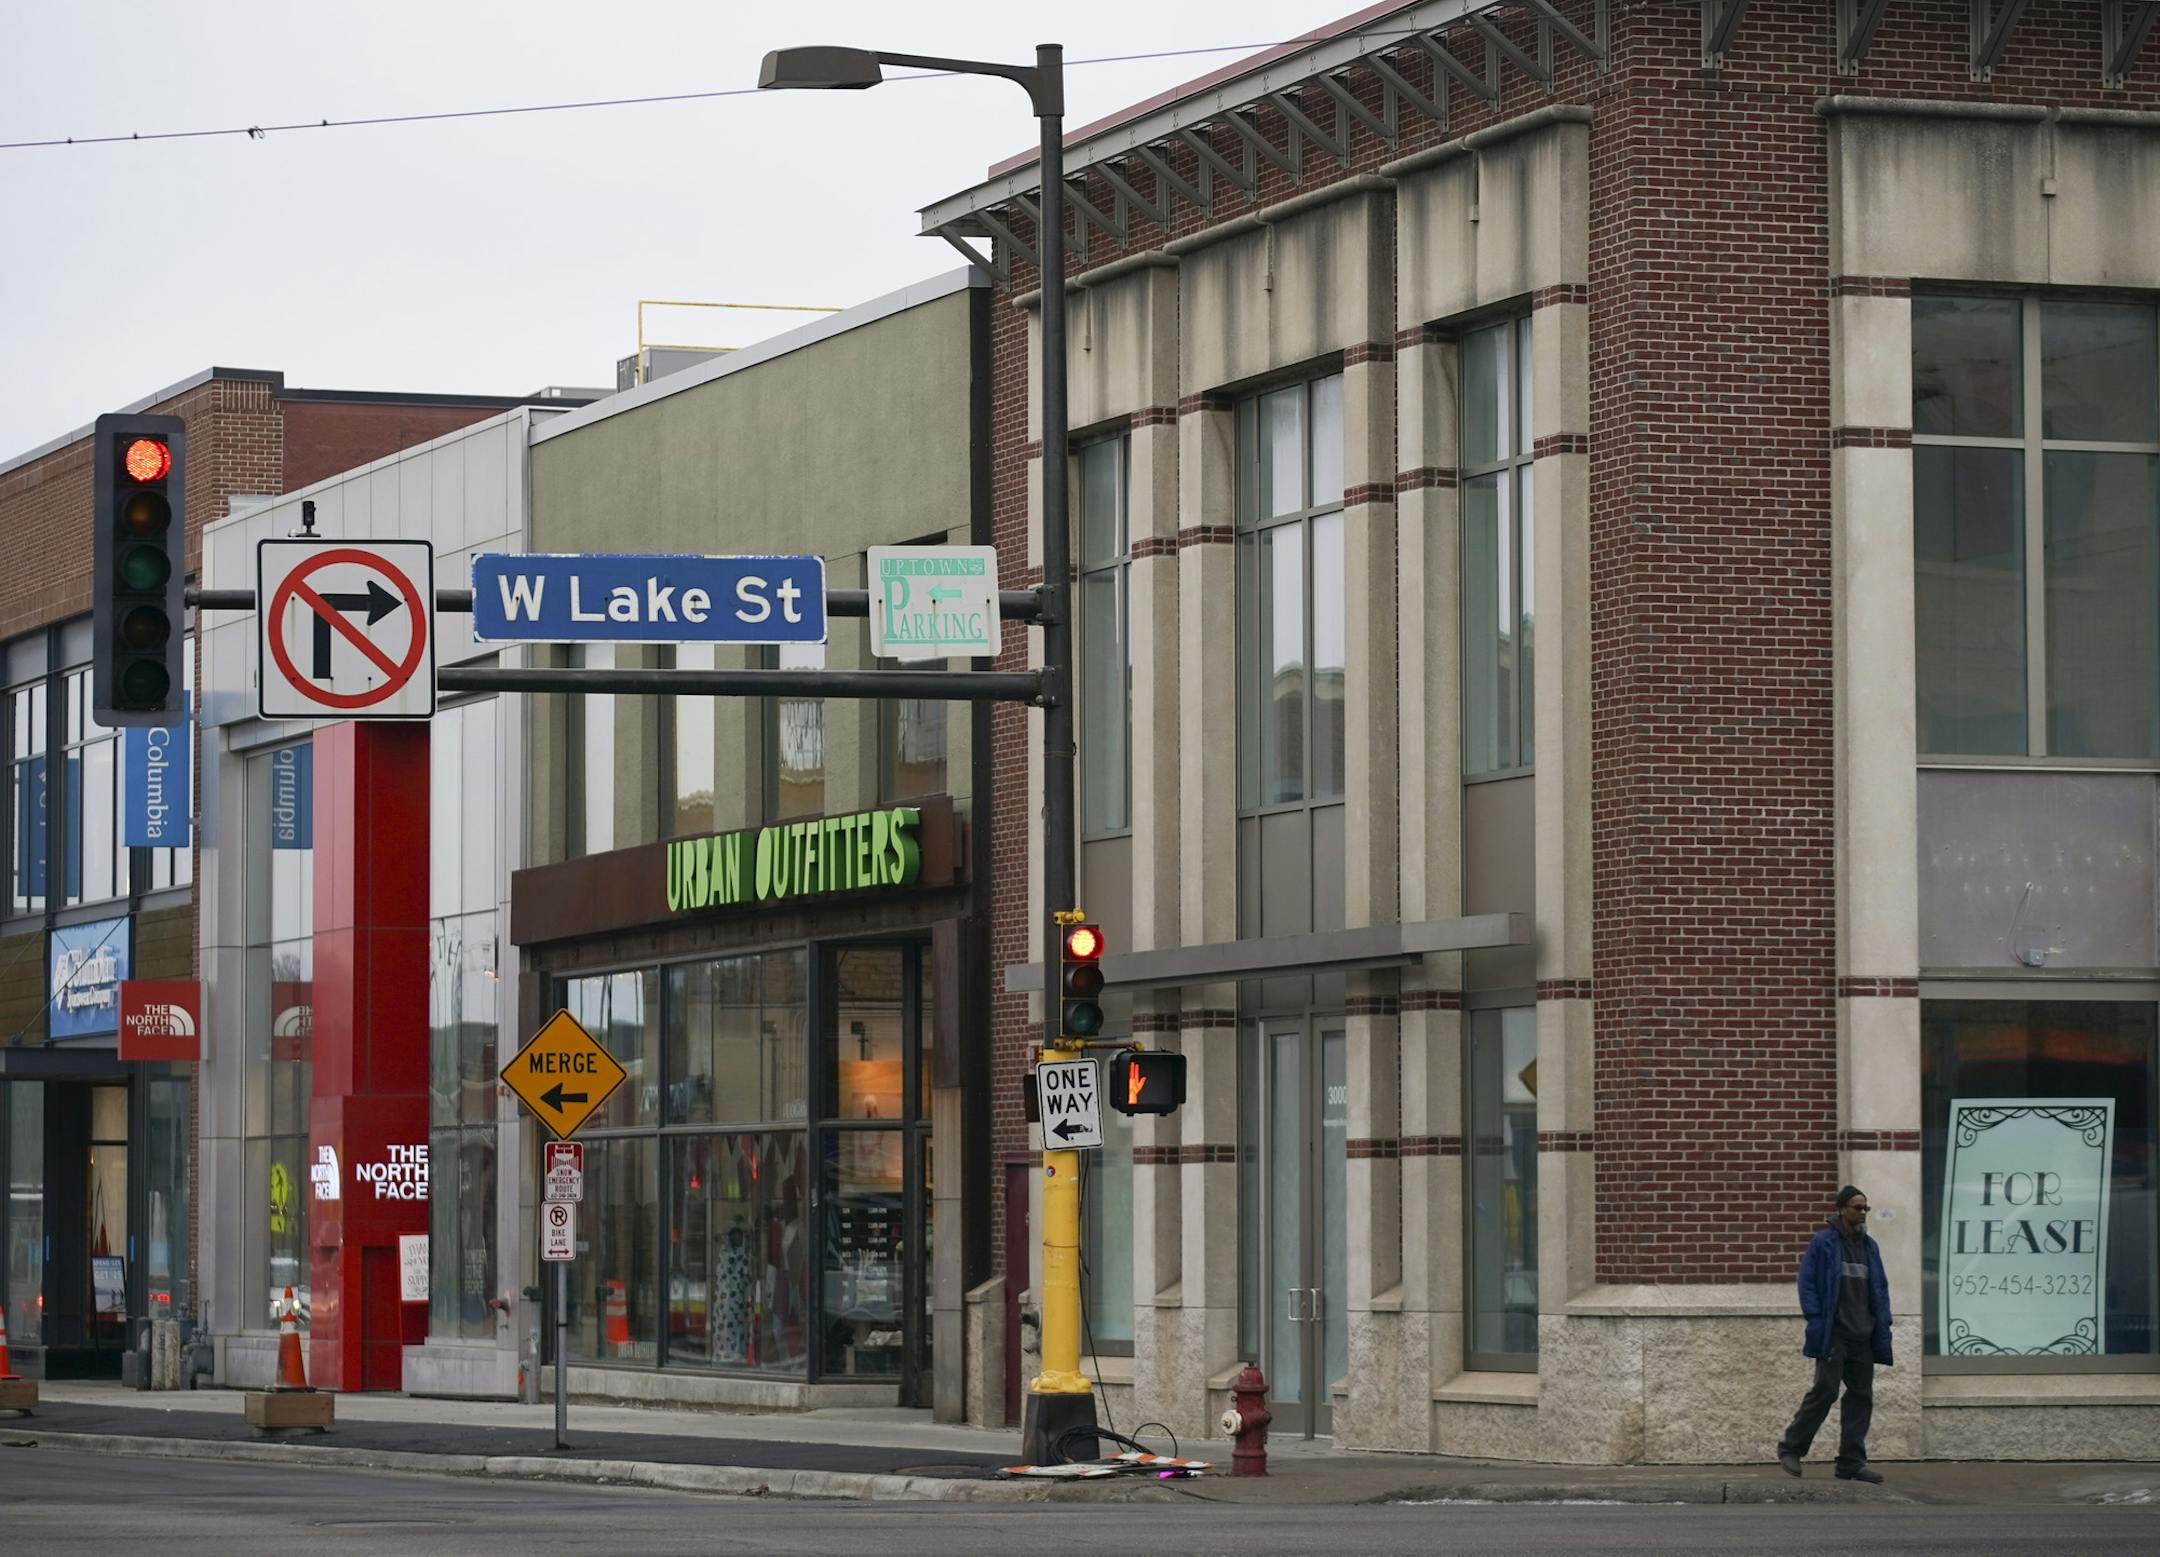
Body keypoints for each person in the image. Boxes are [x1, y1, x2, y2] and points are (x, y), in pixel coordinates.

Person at [1776, 1184, 1892, 1483]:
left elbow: (1879, 1288)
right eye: (1857, 1207)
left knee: (1861, 1397)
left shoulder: (1870, 1247)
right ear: (1841, 1209)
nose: (1863, 1212)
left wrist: (1883, 1322)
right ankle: (1791, 1448)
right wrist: (1816, 1320)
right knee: (1825, 1391)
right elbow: (1808, 1284)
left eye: (1865, 1207)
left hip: (1863, 1335)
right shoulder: (1824, 1243)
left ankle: (1851, 1463)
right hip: (1834, 1333)